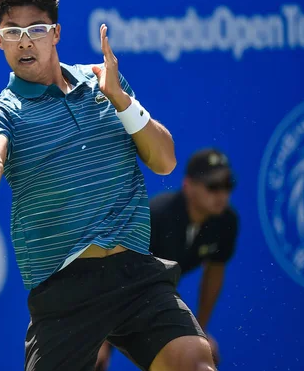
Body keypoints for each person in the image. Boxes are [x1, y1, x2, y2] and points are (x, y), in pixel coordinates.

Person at [0, 0, 217, 371]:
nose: (25, 41)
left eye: (36, 29)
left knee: (195, 362)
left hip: (134, 274)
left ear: (56, 32)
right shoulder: (1, 111)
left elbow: (165, 161)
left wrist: (120, 98)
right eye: (12, 32)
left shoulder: (104, 82)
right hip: (65, 290)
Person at [95, 148, 239, 370]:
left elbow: (214, 274)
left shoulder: (226, 221)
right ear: (188, 185)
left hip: (154, 300)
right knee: (94, 361)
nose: (222, 194)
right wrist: (102, 339)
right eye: (213, 186)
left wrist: (200, 331)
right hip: (113, 296)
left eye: (227, 185)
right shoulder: (157, 216)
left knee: (202, 360)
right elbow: (114, 275)